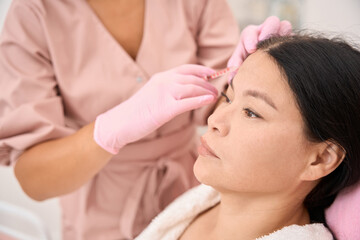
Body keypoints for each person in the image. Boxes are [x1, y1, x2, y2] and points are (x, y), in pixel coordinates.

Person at [0, 0, 292, 239]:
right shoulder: (33, 13)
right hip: (99, 211)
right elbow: (34, 179)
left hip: (189, 185)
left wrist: (246, 75)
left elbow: (218, 103)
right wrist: (108, 130)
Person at [135, 34, 360, 240]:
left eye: (251, 112)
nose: (214, 121)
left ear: (321, 158)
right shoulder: (200, 203)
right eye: (228, 97)